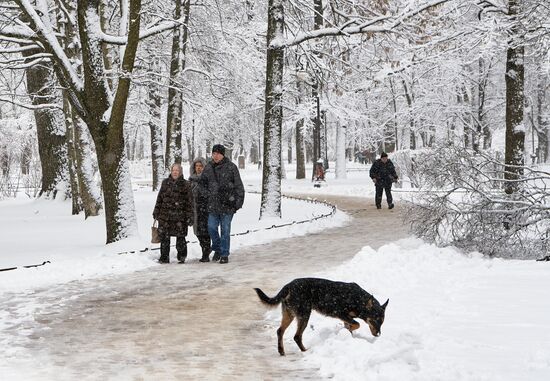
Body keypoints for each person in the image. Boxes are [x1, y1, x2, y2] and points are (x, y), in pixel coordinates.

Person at [200, 144, 245, 264]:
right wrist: (207, 194)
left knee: (225, 230)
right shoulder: (208, 167)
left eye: (218, 153)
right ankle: (218, 248)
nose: (215, 156)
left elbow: (239, 186)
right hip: (213, 204)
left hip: (227, 205)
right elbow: (202, 184)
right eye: (213, 153)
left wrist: (237, 203)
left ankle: (224, 253)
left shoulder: (231, 167)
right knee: (211, 228)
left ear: (222, 154)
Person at [153, 163, 194, 263]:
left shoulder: (186, 184)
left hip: (180, 217)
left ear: (180, 172)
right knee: (164, 238)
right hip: (165, 216)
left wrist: (190, 216)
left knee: (180, 238)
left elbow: (189, 203)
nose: (175, 172)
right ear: (171, 171)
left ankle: (182, 256)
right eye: (173, 170)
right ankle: (164, 257)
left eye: (177, 170)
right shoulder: (165, 183)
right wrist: (156, 211)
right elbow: (160, 199)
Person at [189, 157, 212, 262]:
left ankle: (206, 252)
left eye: (200, 166)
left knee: (205, 232)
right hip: (194, 210)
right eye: (197, 166)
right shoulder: (191, 179)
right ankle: (206, 249)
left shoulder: (208, 179)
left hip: (205, 209)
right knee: (197, 232)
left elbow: (210, 193)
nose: (198, 168)